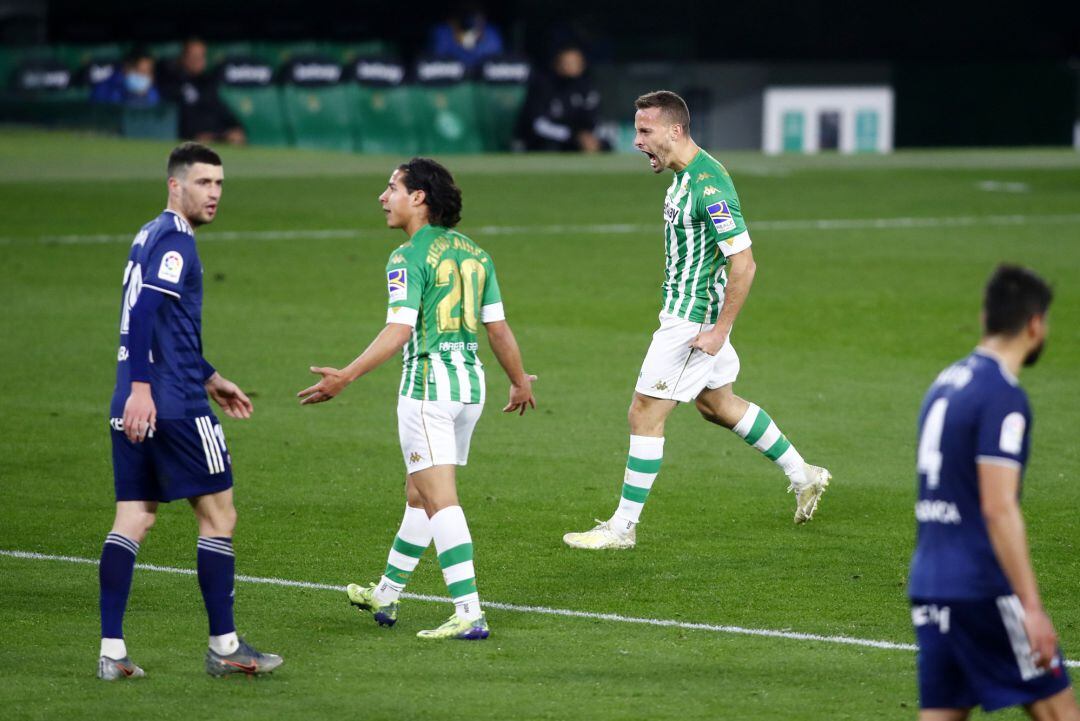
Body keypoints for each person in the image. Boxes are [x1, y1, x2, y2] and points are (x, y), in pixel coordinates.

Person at [563, 90, 831, 550]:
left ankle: (622, 528)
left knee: (644, 413)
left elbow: (744, 264)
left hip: (693, 323)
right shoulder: (684, 177)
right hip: (689, 314)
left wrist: (717, 331)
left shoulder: (709, 185)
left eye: (645, 131)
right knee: (717, 405)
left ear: (676, 130)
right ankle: (803, 474)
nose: (636, 141)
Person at [298, 157, 535, 640]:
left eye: (392, 188)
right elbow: (497, 328)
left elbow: (400, 329)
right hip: (470, 389)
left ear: (419, 198)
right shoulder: (475, 254)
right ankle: (387, 592)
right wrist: (519, 381)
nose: (383, 197)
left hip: (428, 389)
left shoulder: (407, 257)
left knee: (440, 498)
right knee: (419, 494)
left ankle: (469, 611)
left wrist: (345, 375)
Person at [99, 143, 281, 680]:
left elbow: (161, 325)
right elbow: (144, 310)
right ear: (175, 185)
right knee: (219, 516)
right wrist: (145, 389)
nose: (215, 193)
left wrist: (211, 374)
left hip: (140, 397)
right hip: (173, 405)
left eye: (220, 184)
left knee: (134, 518)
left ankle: (112, 653)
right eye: (204, 183)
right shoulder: (177, 239)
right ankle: (225, 646)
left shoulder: (147, 233)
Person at [908, 266, 1077, 720]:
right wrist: (1032, 608)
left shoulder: (946, 382)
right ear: (1036, 325)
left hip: (930, 583)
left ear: (986, 318)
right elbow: (999, 507)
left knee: (942, 712)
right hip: (981, 587)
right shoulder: (1002, 395)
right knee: (1059, 711)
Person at [516, 45, 607, 153]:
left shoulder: (587, 89)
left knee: (605, 144)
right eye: (566, 63)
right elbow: (537, 124)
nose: (570, 67)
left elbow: (594, 119)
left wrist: (587, 137)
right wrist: (572, 136)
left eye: (575, 63)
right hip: (548, 140)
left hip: (579, 140)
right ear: (557, 65)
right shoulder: (544, 87)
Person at [158, 39, 246, 145]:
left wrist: (235, 130)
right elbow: (181, 121)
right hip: (191, 143)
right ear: (183, 57)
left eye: (201, 56)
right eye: (194, 56)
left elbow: (226, 114)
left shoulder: (209, 84)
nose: (198, 60)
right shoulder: (173, 82)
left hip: (219, 139)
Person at [429, 2, 505, 68]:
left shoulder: (491, 33)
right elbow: (438, 60)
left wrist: (478, 36)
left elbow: (495, 62)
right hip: (450, 82)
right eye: (465, 7)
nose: (469, 15)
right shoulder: (442, 32)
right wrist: (458, 35)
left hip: (481, 81)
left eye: (473, 11)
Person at [90, 47, 160, 106]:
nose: (143, 76)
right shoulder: (105, 91)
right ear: (126, 68)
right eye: (139, 71)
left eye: (147, 71)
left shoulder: (153, 95)